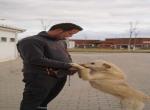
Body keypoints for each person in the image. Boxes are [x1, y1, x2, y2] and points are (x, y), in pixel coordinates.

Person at [17, 23, 83, 110]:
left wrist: (71, 66)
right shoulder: (30, 41)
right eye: (70, 33)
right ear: (59, 30)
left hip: (60, 76)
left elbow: (67, 56)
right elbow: (36, 59)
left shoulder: (61, 42)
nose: (70, 36)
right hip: (40, 78)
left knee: (44, 102)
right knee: (31, 104)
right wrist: (67, 66)